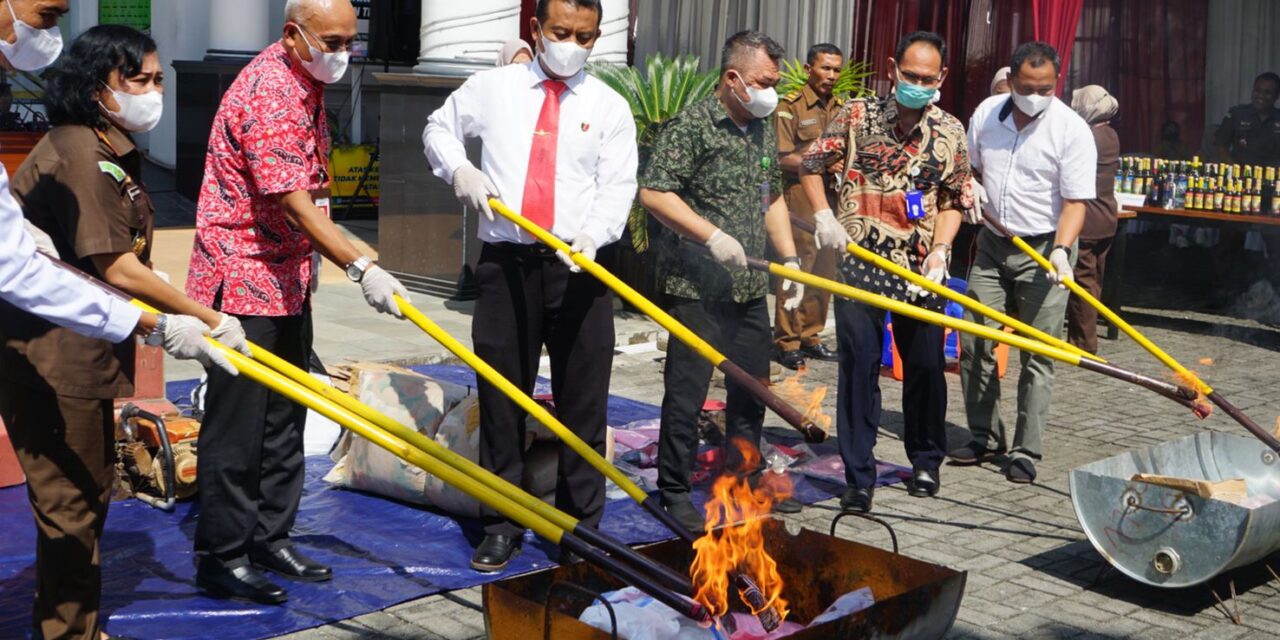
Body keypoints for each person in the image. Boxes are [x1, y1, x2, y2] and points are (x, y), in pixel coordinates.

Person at [1, 23, 248, 640]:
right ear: (95, 89)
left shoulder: (109, 148)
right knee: (72, 504)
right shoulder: (81, 151)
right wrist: (202, 316)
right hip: (55, 353)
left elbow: (119, 254)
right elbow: (117, 269)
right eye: (136, 79)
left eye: (159, 78)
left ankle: (73, 625)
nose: (153, 91)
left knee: (85, 493)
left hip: (82, 346)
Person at [187, 0, 410, 604]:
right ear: (293, 35)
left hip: (285, 275)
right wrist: (358, 266)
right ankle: (224, 554)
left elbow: (313, 196)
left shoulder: (303, 81)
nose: (342, 54)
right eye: (331, 42)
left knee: (287, 414)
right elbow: (291, 201)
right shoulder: (271, 91)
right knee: (239, 425)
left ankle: (269, 535)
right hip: (242, 280)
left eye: (349, 42)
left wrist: (362, 253)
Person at [423, 0, 637, 572]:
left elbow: (618, 185)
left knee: (583, 404)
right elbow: (438, 128)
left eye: (585, 36)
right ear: (536, 30)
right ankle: (501, 522)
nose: (572, 44)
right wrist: (459, 169)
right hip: (507, 266)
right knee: (500, 398)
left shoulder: (608, 105)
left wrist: (595, 236)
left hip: (582, 269)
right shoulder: (493, 88)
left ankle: (580, 527)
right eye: (562, 31)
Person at [638, 30, 806, 534]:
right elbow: (654, 193)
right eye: (763, 82)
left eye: (774, 82)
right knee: (686, 394)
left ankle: (742, 480)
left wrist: (791, 261)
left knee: (751, 390)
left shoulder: (758, 126)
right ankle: (672, 490)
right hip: (696, 287)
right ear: (733, 79)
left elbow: (771, 197)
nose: (771, 92)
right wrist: (711, 236)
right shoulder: (690, 127)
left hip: (749, 287)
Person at [799, 31, 974, 513]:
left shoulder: (950, 131)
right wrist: (823, 216)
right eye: (909, 75)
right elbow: (811, 165)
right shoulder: (856, 115)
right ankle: (859, 475)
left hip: (921, 272)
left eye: (926, 78)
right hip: (860, 266)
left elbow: (955, 199)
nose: (917, 84)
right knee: (858, 370)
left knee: (925, 367)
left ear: (940, 78)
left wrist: (941, 249)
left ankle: (924, 459)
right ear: (893, 68)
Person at [948, 42, 1096, 484]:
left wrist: (1060, 249)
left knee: (1038, 352)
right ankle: (983, 436)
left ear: (1057, 84)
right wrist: (970, 191)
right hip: (993, 243)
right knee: (975, 340)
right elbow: (969, 170)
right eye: (1027, 87)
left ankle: (1025, 449)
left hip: (1046, 250)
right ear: (1010, 81)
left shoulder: (1071, 130)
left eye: (1046, 88)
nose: (1036, 95)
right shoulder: (986, 116)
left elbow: (1075, 202)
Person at [771, 43, 844, 371]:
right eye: (825, 68)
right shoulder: (790, 107)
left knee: (825, 267)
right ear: (808, 69)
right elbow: (781, 156)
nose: (831, 75)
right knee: (798, 265)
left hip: (832, 196)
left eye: (836, 69)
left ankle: (811, 335)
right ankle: (787, 341)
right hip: (799, 195)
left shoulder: (842, 107)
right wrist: (821, 163)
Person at [1067, 85, 1120, 354]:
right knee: (1094, 280)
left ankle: (1083, 343)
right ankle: (1084, 337)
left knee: (1083, 282)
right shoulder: (1109, 134)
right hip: (1106, 217)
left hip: (1088, 220)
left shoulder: (1088, 137)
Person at [1214, 71, 1280, 167]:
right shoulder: (1237, 114)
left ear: (1277, 96)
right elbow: (1220, 146)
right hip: (1240, 174)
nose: (1261, 96)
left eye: (1267, 92)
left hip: (1272, 175)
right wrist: (1235, 169)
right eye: (1257, 90)